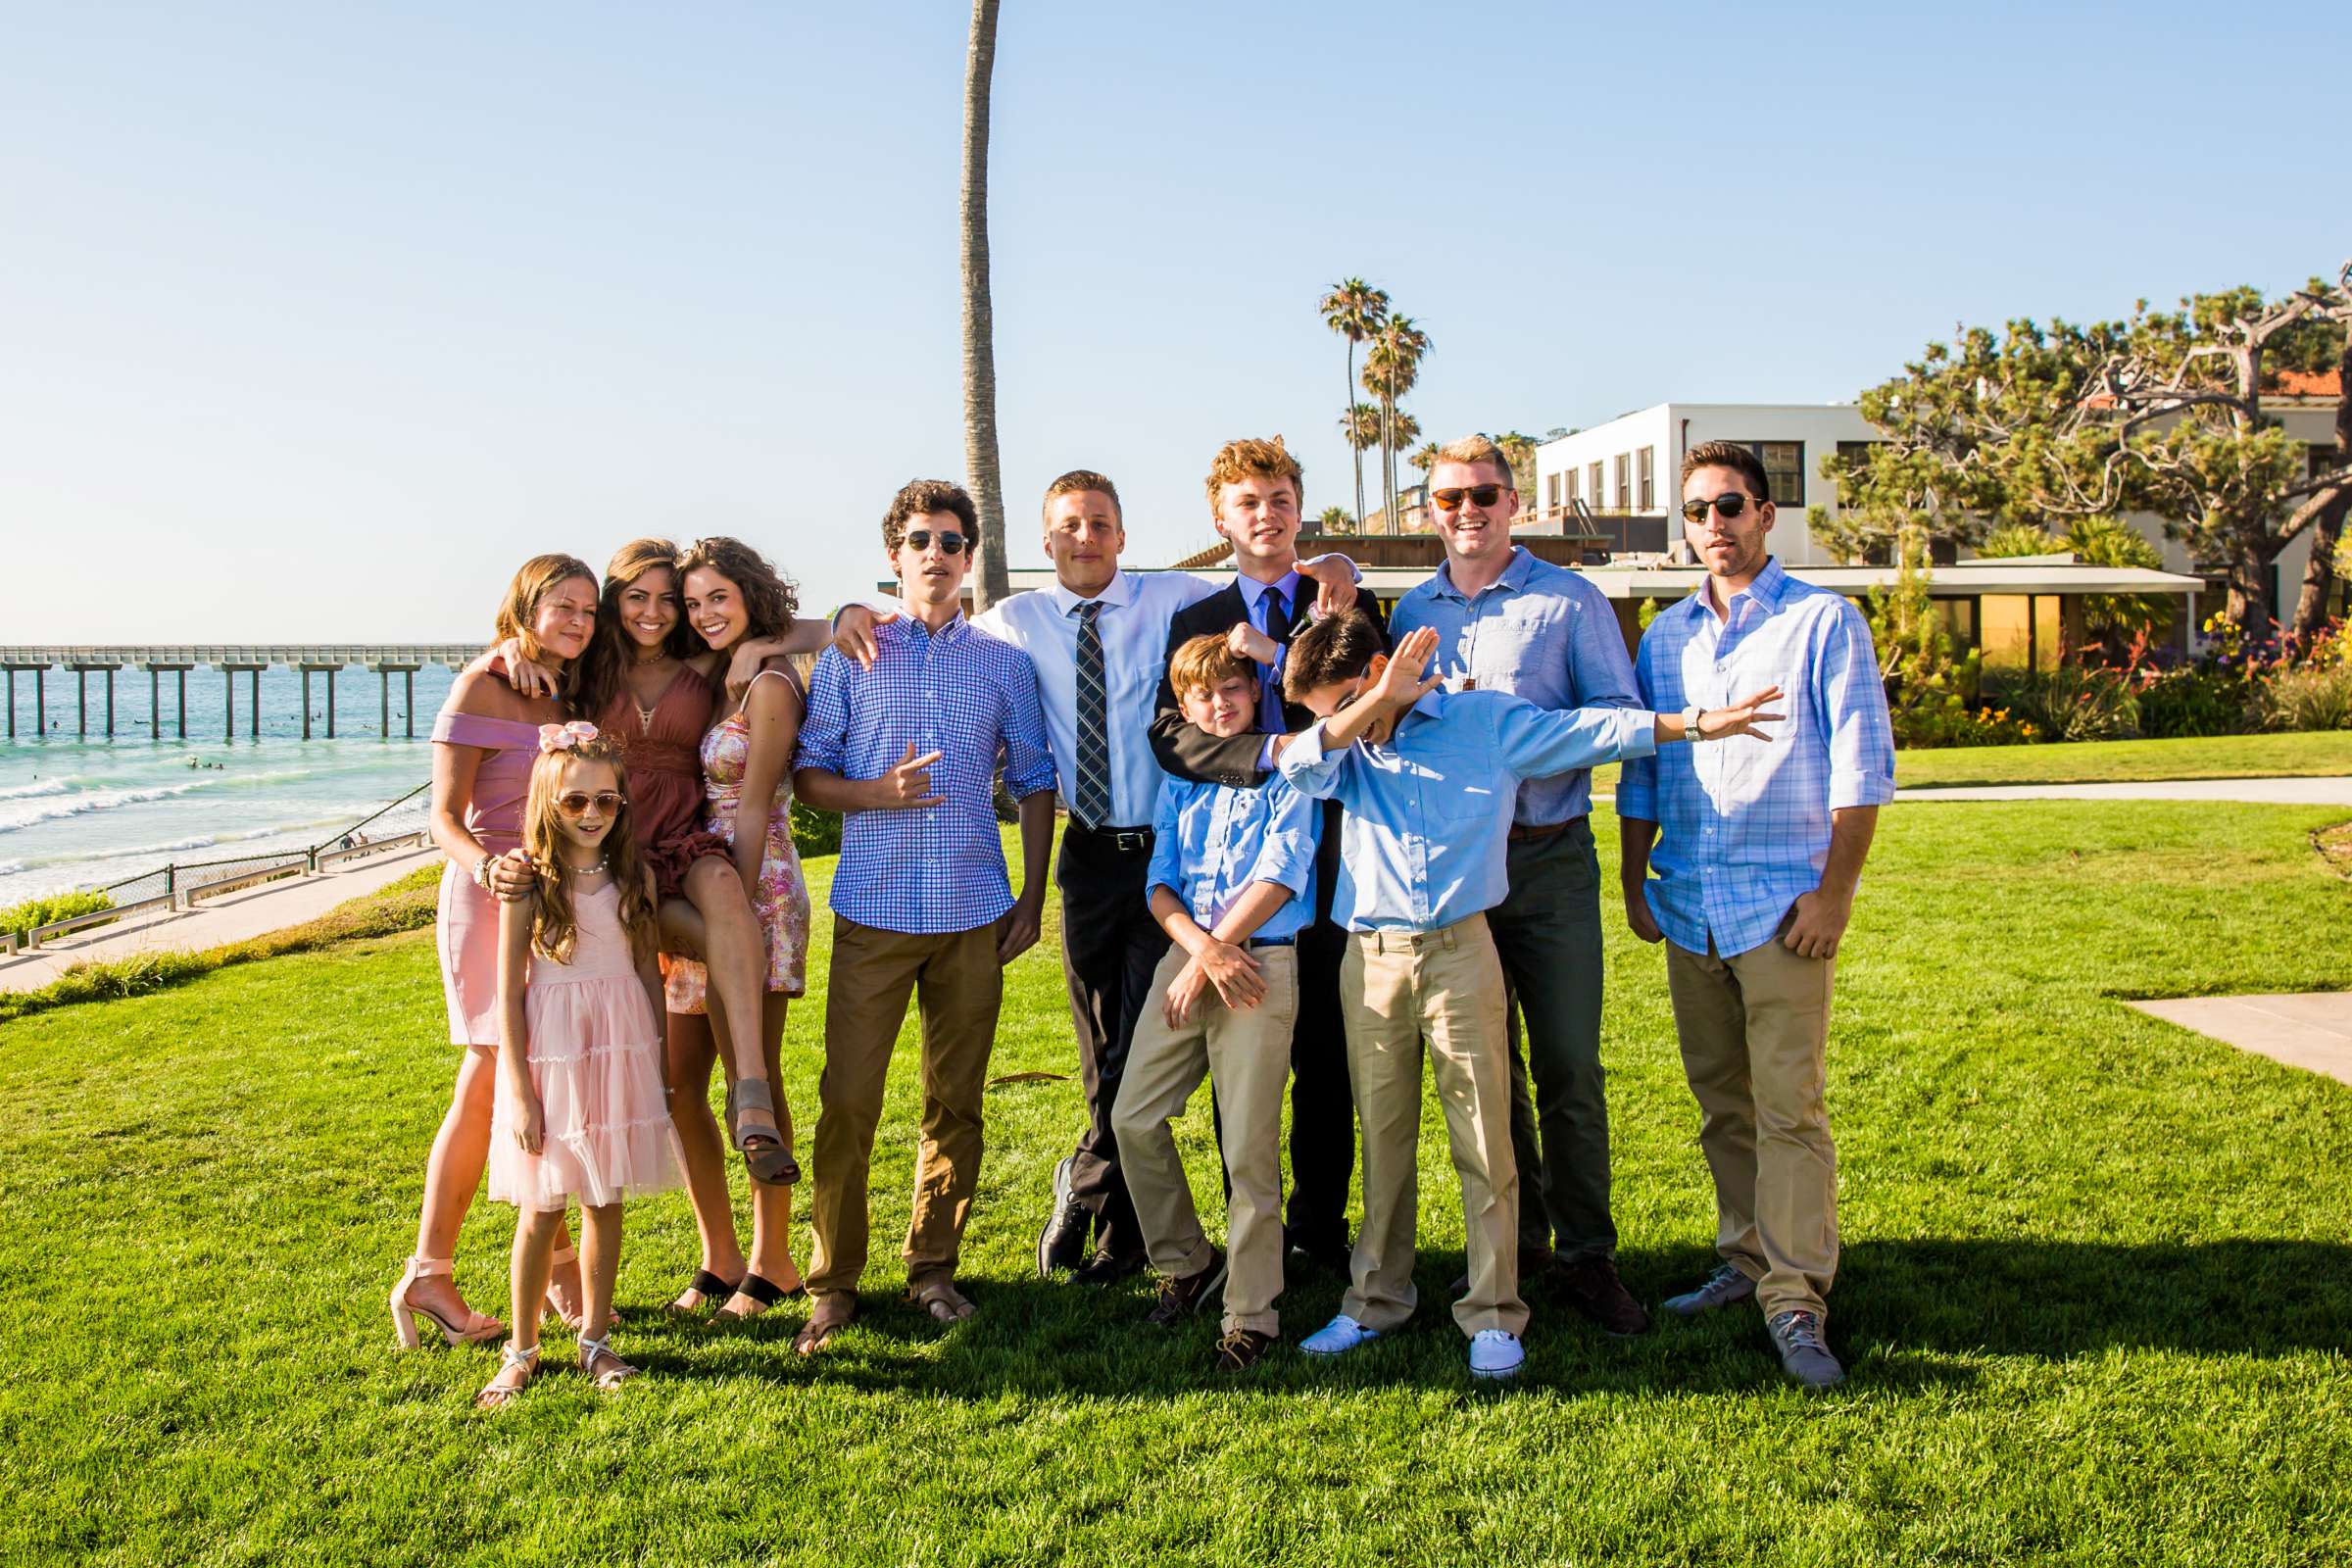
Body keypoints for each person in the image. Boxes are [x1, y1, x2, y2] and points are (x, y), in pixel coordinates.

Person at [832, 466, 1356, 1286]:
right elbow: (917, 614)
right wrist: (845, 613)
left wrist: (1337, 567)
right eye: (1070, 526)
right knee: (1099, 1050)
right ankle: (1128, 1229)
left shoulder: (1174, 598)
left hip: (1168, 858)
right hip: (1088, 857)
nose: (1086, 538)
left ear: (1122, 534)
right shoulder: (1012, 620)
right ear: (1046, 541)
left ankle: (1112, 1195)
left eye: (1101, 523)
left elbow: (1267, 562)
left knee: (1152, 1052)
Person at [1275, 612, 1780, 1379]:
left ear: (1382, 667)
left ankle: (1494, 1312)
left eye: (1344, 697)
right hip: (1369, 956)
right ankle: (1375, 1301)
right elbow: (1300, 768)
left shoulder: (1485, 721)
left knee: (1484, 1139)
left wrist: (1701, 724)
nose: (1340, 721)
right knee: (1383, 1140)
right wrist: (1362, 705)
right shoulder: (1345, 744)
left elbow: (1594, 732)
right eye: (1325, 710)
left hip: (1462, 949)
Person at [1618, 439, 1896, 1392]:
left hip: (1782, 910)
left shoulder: (1824, 622)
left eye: (1730, 506)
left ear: (1767, 514)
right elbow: (1644, 769)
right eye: (1697, 510)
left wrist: (1835, 894)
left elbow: (1864, 769)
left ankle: (1796, 1297)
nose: (1714, 525)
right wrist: (1632, 881)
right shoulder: (1666, 638)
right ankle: (1744, 1261)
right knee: (1722, 1105)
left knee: (1790, 1110)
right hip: (1688, 902)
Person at [1388, 434, 1649, 1335]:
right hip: (1459, 875)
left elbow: (1621, 717)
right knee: (1485, 1073)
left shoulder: (1567, 599)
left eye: (1485, 494)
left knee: (1569, 1062)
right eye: (1450, 497)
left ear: (1515, 501)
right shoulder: (1409, 610)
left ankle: (1590, 1256)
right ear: (1430, 508)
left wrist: (1518, 730)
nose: (1469, 511)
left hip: (1545, 857)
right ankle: (1520, 1245)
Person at [789, 479, 1057, 1353]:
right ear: (894, 557)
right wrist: (874, 793)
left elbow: (1034, 780)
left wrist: (1032, 895)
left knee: (956, 1103)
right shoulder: (851, 653)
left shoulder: (1003, 664)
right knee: (849, 1102)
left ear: (969, 557)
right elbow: (808, 775)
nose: (935, 554)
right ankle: (831, 1283)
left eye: (950, 541)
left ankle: (932, 1269)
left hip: (974, 912)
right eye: (919, 541)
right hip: (872, 912)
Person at [1142, 436, 1383, 1281]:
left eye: (1280, 500)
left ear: (1298, 511)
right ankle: (1254, 1236)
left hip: (1338, 865)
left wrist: (1280, 652)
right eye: (1248, 503)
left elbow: (1359, 706)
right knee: (1235, 1065)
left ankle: (1321, 1227)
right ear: (1221, 519)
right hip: (1236, 873)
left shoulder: (1347, 604)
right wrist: (1269, 757)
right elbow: (1171, 734)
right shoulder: (1197, 621)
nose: (1266, 516)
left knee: (1327, 1058)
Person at [390, 555, 597, 1350]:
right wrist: (488, 867)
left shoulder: (570, 685)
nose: (577, 621)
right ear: (526, 606)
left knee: (552, 1078)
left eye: (588, 610)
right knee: (487, 1078)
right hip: (489, 896)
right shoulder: (483, 684)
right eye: (562, 607)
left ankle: (553, 1262)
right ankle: (429, 1272)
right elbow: (443, 818)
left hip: (560, 905)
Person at [1108, 634, 1318, 1371]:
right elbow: (1159, 881)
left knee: (1248, 1149)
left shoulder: (1288, 770)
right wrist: (1199, 954)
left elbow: (1282, 874)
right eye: (1204, 695)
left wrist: (1218, 954)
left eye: (1233, 689)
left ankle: (1251, 1313)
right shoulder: (1182, 778)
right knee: (1133, 1118)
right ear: (1185, 707)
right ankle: (1188, 1259)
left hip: (1261, 965)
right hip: (1189, 955)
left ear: (1255, 692)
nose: (1220, 703)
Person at [474, 724, 680, 1407]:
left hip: (619, 1051)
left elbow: (648, 976)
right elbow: (507, 992)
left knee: (604, 1198)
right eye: (574, 803)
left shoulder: (632, 877)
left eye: (606, 802)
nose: (591, 815)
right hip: (552, 1057)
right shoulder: (529, 884)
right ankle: (523, 1349)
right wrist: (520, 1094)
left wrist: (657, 1065)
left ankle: (594, 1337)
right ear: (546, 803)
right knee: (541, 1206)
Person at [655, 536, 823, 1319]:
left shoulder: (770, 686)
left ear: (751, 593)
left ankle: (775, 1259)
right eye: (694, 603)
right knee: (681, 1081)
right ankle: (719, 1256)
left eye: (719, 597)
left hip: (755, 887)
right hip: (694, 882)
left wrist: (738, 916)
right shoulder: (714, 677)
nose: (704, 613)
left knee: (752, 1071)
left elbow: (755, 804)